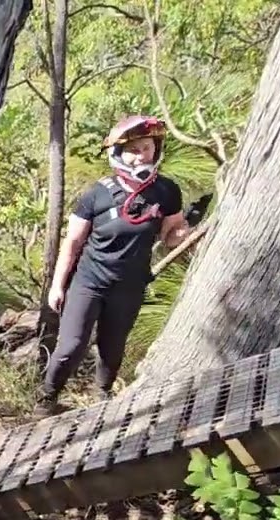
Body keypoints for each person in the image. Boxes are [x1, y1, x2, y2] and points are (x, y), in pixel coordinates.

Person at [35, 115, 210, 417]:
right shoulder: (97, 195)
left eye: (147, 147)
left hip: (129, 285)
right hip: (90, 281)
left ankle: (100, 394)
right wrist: (57, 286)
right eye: (134, 149)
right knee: (71, 346)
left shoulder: (166, 191)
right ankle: (47, 397)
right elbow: (73, 244)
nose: (141, 154)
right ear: (118, 154)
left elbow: (171, 235)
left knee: (112, 348)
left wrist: (190, 229)